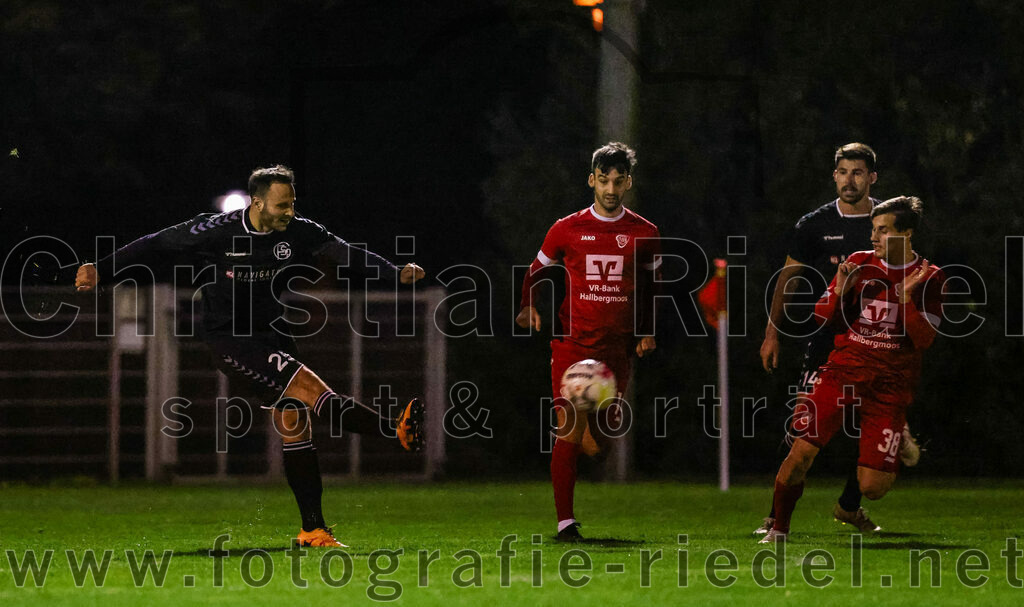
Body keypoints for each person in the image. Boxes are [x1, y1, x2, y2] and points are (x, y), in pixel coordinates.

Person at [74, 165, 425, 548]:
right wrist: (100, 269)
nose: (289, 212)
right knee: (312, 392)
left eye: (292, 204)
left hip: (272, 331)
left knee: (296, 422)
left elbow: (345, 253)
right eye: (281, 205)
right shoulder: (215, 230)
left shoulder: (298, 230)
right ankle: (393, 429)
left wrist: (394, 272)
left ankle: (313, 530)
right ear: (257, 202)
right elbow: (155, 244)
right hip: (232, 339)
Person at [760, 196, 945, 543]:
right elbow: (820, 316)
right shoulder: (859, 263)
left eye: (883, 230)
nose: (873, 237)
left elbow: (924, 339)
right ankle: (779, 528)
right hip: (844, 371)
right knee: (801, 450)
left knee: (872, 488)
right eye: (873, 229)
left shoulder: (930, 278)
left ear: (906, 233)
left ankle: (893, 440)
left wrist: (903, 299)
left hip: (890, 384)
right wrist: (840, 290)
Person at [516, 142, 661, 541]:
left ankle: (590, 438)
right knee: (569, 429)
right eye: (604, 180)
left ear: (628, 182)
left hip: (617, 350)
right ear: (591, 180)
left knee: (603, 439)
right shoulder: (567, 228)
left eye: (619, 181)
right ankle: (565, 523)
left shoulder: (645, 233)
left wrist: (647, 330)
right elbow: (534, 270)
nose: (611, 189)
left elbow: (652, 285)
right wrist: (528, 306)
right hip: (572, 346)